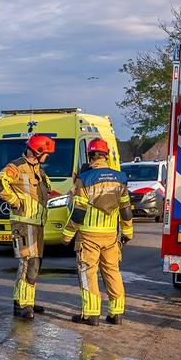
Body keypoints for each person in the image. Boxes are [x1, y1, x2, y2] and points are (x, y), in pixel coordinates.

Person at [62, 138, 132, 326]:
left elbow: (78, 212)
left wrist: (67, 235)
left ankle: (91, 315)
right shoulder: (120, 178)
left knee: (88, 273)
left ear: (91, 156)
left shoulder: (85, 180)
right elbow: (126, 209)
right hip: (111, 236)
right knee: (112, 272)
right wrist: (128, 232)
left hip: (89, 237)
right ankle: (116, 314)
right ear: (106, 155)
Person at [0, 134, 55, 320]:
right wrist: (15, 201)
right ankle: (22, 305)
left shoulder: (38, 168)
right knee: (27, 263)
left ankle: (27, 301)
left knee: (35, 263)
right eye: (46, 153)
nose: (48, 157)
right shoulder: (17, 166)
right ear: (37, 152)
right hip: (24, 222)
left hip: (37, 222)